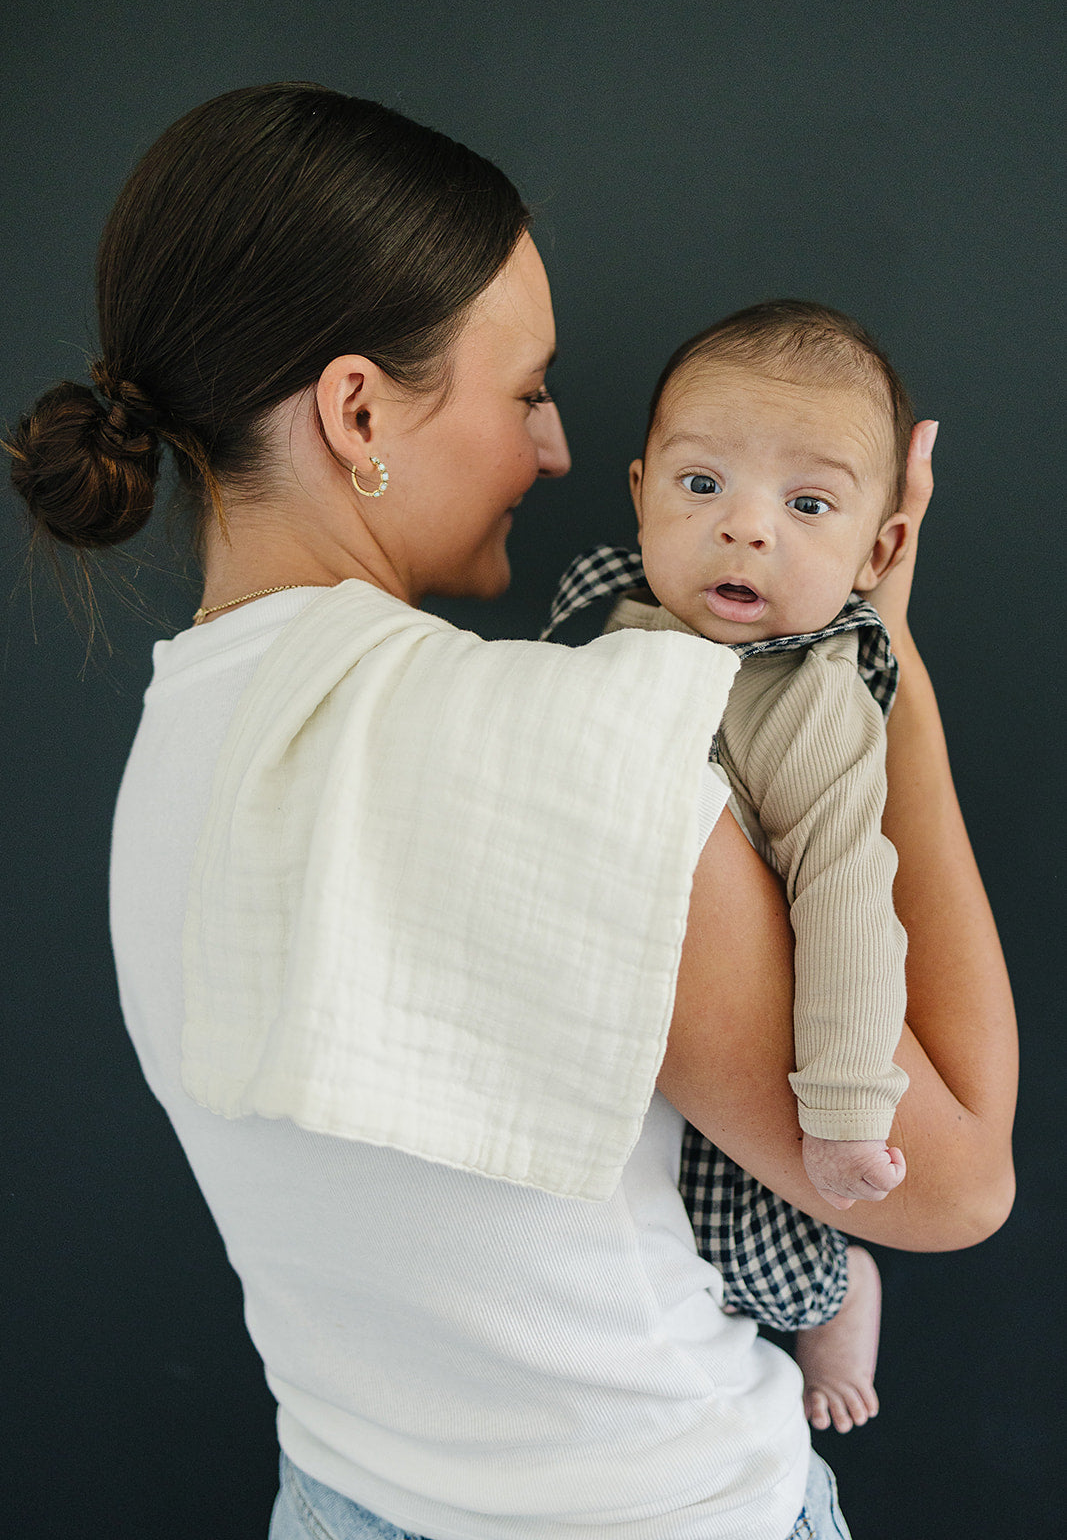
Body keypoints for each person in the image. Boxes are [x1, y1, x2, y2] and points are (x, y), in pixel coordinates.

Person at [6, 83, 1016, 1540]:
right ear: (358, 411)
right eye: (523, 389)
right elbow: (957, 1179)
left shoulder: (179, 740)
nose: (551, 449)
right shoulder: (558, 745)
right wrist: (875, 651)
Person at [545, 300, 925, 1431]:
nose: (743, 529)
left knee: (762, 1245)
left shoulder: (808, 699)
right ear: (638, 491)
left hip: (758, 1033)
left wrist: (848, 1103)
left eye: (806, 505)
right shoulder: (601, 621)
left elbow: (851, 896)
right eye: (699, 484)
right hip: (610, 1010)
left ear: (876, 550)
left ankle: (837, 1299)